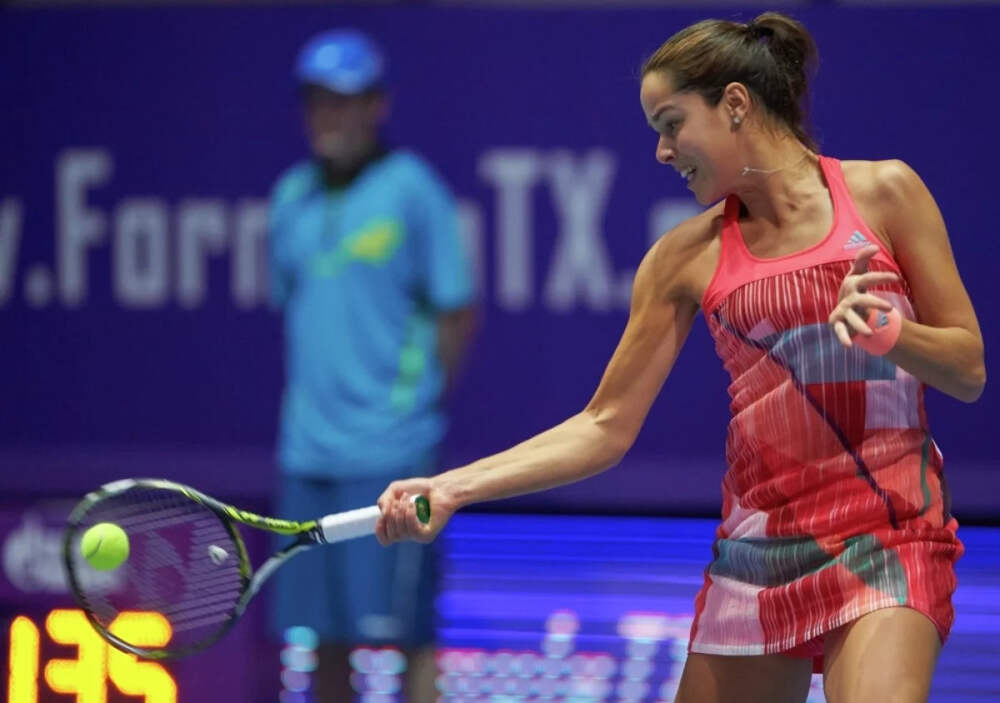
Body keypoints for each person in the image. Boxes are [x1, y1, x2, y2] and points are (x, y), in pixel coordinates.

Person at [375, 11, 985, 703]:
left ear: (735, 104)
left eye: (671, 124)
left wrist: (893, 336)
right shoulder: (683, 258)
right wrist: (454, 487)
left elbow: (968, 369)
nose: (663, 152)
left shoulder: (884, 194)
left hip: (888, 532)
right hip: (759, 554)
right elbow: (604, 425)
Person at [267, 28, 476, 703]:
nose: (329, 116)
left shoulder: (414, 190)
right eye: (318, 101)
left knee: (408, 636)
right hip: (307, 455)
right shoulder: (290, 197)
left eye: (345, 100)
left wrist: (411, 410)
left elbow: (455, 313)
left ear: (376, 105)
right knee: (323, 638)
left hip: (391, 457)